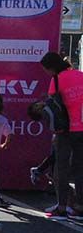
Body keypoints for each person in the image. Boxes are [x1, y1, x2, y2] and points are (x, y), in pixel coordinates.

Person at [39, 51, 83, 217]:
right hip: (82, 128)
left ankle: (62, 206)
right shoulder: (80, 74)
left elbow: (52, 107)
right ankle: (80, 206)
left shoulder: (56, 81)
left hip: (65, 129)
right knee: (80, 168)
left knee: (61, 167)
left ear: (52, 68)